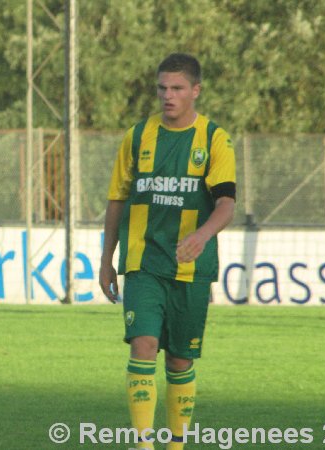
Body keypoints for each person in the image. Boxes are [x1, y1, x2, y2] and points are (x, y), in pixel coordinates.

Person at [99, 53, 235, 449]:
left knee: (179, 360)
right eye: (162, 88)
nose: (168, 96)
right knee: (143, 344)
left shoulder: (214, 139)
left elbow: (226, 203)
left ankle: (175, 445)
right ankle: (143, 444)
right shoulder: (138, 136)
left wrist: (202, 235)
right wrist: (107, 260)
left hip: (191, 267)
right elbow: (117, 200)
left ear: (195, 90)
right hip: (142, 261)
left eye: (176, 88)